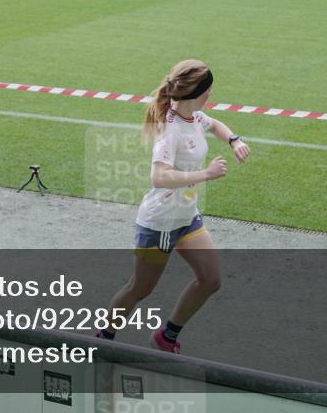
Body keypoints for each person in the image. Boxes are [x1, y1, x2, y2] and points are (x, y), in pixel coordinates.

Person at [99, 59, 250, 353]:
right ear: (200, 92)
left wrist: (234, 140)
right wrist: (205, 174)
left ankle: (166, 337)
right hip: (161, 223)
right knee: (140, 288)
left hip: (186, 217)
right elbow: (159, 177)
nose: (212, 94)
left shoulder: (193, 116)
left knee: (210, 280)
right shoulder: (171, 129)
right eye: (210, 89)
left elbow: (215, 124)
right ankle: (103, 338)